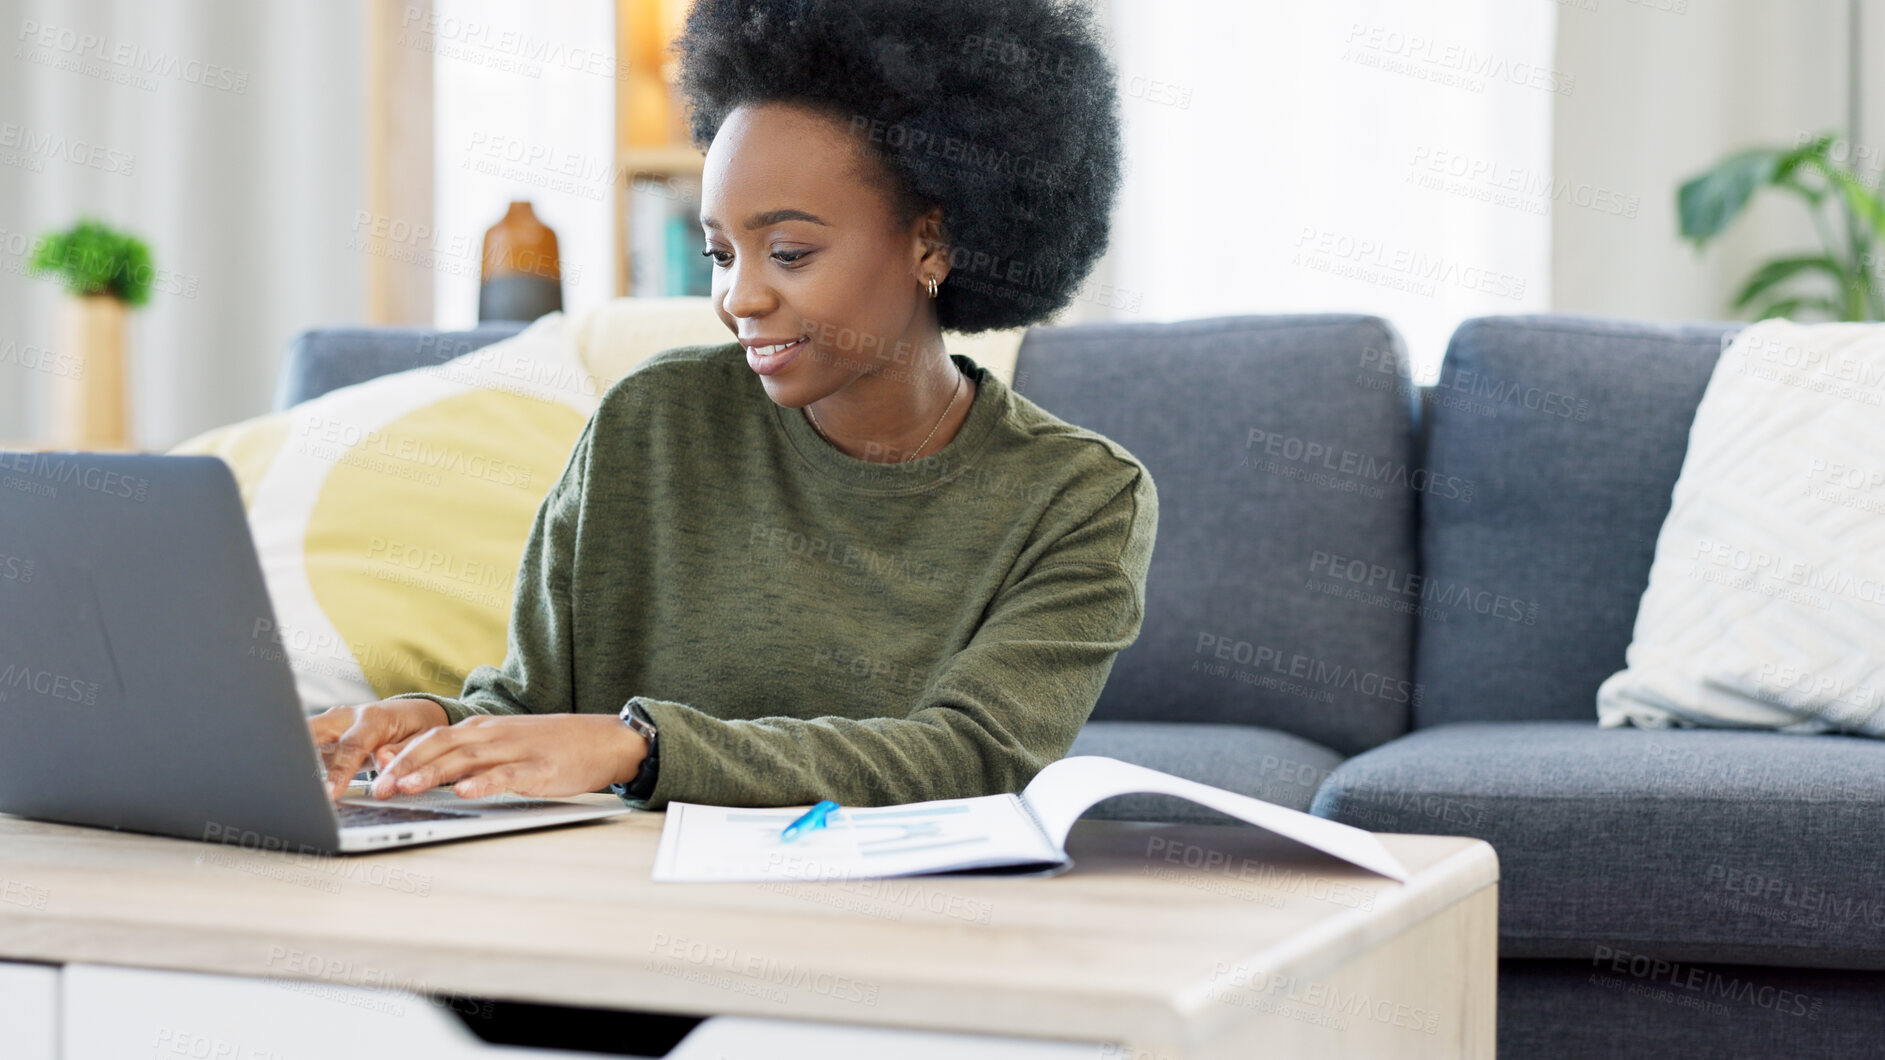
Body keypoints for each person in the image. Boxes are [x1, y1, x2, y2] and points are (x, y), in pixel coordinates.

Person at [309, 0, 1156, 809]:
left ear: (930, 240)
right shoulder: (652, 424)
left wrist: (644, 748)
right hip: (613, 898)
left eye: (788, 252)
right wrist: (430, 727)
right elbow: (532, 706)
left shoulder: (1079, 497)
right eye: (720, 253)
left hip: (894, 925)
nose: (737, 299)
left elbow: (972, 757)